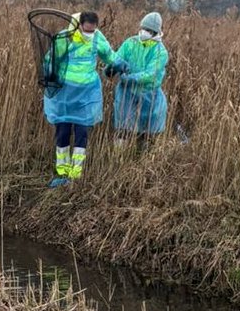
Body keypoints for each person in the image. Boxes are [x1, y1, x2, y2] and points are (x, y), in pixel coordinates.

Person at [43, 11, 123, 187]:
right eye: (86, 30)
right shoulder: (66, 38)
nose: (89, 34)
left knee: (82, 133)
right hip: (64, 95)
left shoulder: (96, 38)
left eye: (92, 31)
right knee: (62, 132)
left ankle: (75, 175)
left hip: (85, 96)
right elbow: (51, 59)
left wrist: (119, 63)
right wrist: (49, 73)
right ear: (79, 25)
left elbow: (109, 55)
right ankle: (62, 172)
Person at [110, 11, 168, 145]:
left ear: (155, 32)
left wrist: (130, 78)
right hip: (126, 92)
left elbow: (150, 75)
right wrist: (111, 67)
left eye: (148, 30)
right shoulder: (130, 43)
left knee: (148, 131)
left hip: (149, 94)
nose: (144, 32)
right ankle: (119, 157)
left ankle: (143, 159)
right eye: (143, 28)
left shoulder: (160, 51)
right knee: (123, 128)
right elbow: (117, 58)